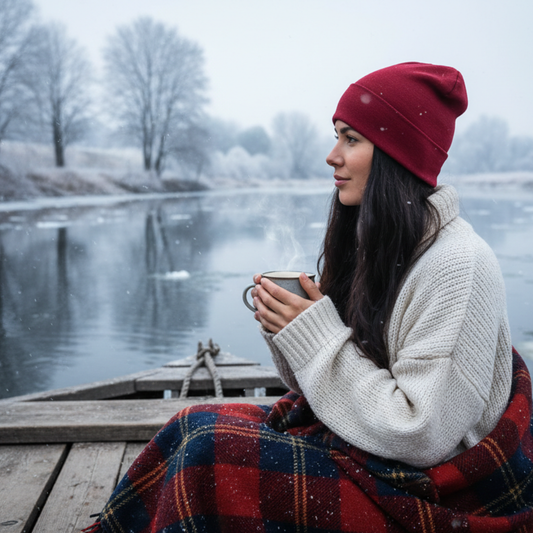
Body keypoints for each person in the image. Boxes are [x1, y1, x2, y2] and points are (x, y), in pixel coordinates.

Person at [88, 63, 533, 533]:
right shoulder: (382, 241)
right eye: (336, 136)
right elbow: (327, 389)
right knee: (190, 423)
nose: (331, 155)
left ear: (396, 156)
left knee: (207, 456)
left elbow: (421, 433)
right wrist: (289, 329)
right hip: (376, 454)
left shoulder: (457, 264)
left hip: (439, 487)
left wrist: (317, 334)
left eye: (350, 139)